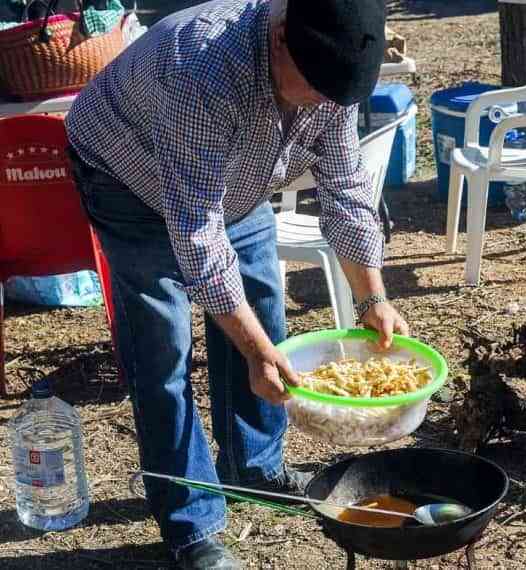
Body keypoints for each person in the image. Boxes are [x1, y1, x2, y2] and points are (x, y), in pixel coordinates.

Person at [64, 0, 408, 567]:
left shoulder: (331, 70)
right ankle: (191, 523)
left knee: (263, 309)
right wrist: (254, 351)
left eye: (335, 95)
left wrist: (374, 298)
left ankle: (253, 464)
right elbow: (197, 233)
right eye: (317, 88)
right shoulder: (203, 69)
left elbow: (346, 190)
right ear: (278, 40)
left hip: (235, 179)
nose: (325, 104)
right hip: (126, 172)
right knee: (163, 349)